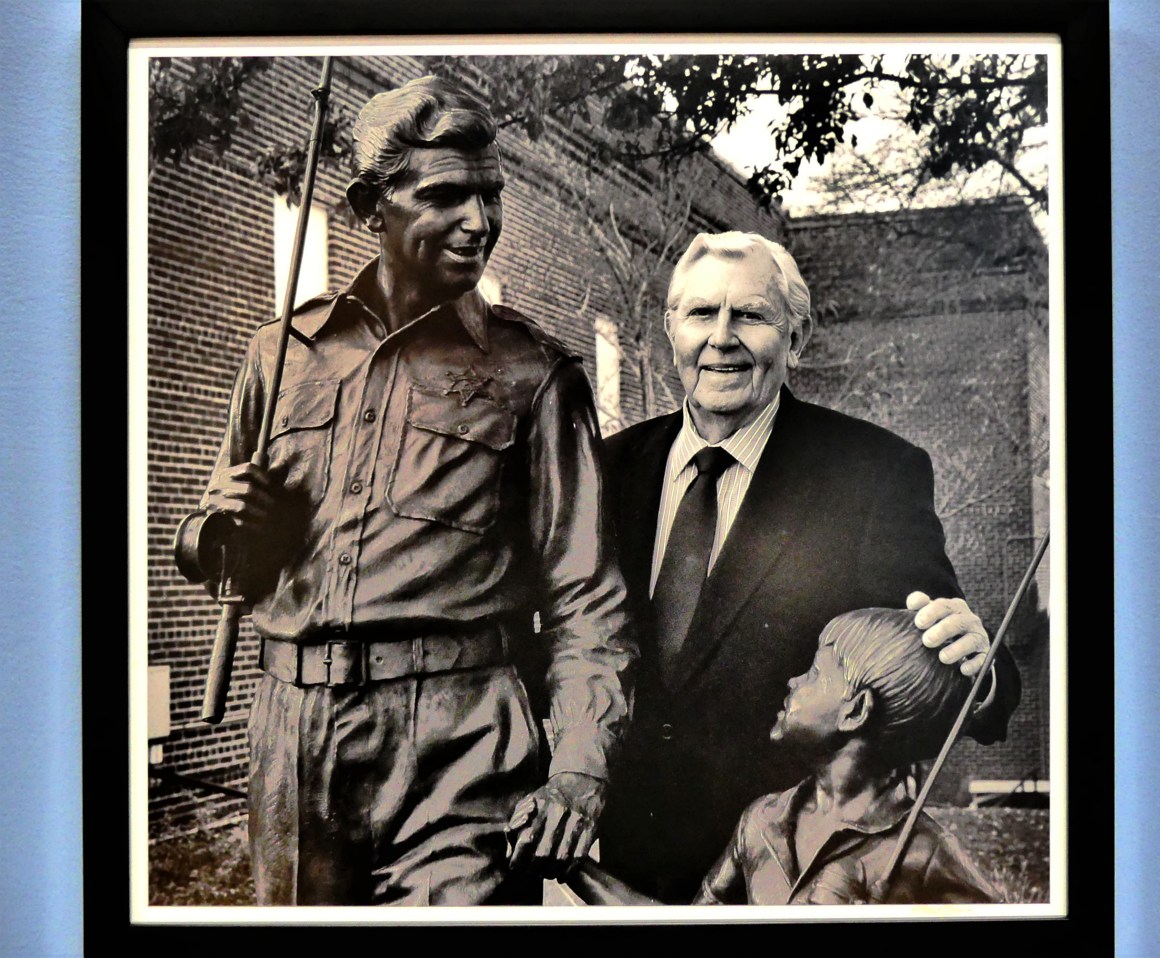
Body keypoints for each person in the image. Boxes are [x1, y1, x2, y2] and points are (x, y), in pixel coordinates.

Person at [177, 76, 636, 906]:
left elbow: (587, 602)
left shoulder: (536, 374)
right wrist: (224, 532)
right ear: (368, 204)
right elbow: (219, 549)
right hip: (293, 737)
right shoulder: (279, 355)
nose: (480, 222)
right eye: (446, 195)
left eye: (491, 195)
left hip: (460, 745)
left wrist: (576, 769)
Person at [597, 231, 1020, 903]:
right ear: (670, 328)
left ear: (795, 337)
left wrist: (982, 671)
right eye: (702, 313)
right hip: (615, 866)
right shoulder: (603, 470)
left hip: (787, 879)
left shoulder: (873, 475)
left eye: (752, 315)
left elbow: (935, 663)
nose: (722, 337)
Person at [567, 607, 999, 906]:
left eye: (814, 672)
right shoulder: (763, 821)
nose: (793, 681)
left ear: (856, 710)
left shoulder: (925, 852)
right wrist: (570, 864)